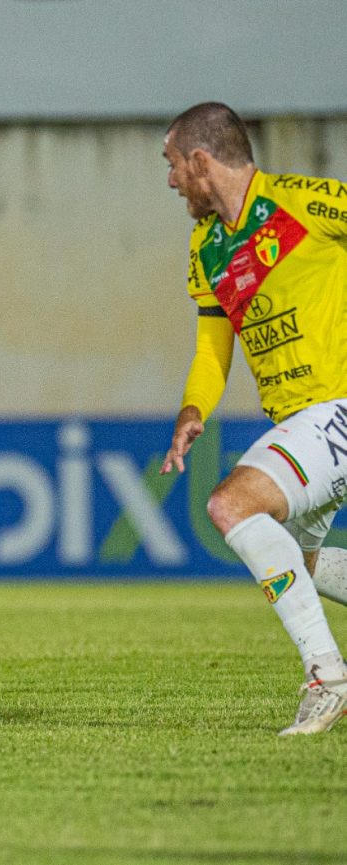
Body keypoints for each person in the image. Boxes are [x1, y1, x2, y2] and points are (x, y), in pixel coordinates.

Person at [159, 102, 347, 735]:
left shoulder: (308, 203)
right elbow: (213, 348)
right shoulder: (206, 244)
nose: (170, 180)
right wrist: (193, 409)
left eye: (172, 164)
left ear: (200, 161)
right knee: (301, 561)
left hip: (337, 406)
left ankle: (328, 676)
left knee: (231, 506)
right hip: (304, 418)